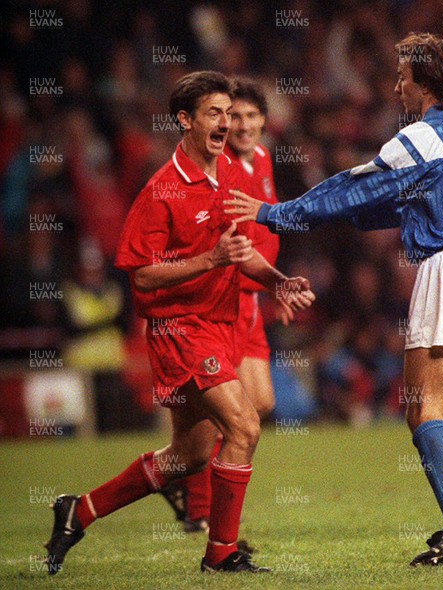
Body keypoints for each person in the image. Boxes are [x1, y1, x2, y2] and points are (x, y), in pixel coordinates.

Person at [225, 33, 443, 565]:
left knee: (422, 409)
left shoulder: (417, 137)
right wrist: (358, 215)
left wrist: (273, 213)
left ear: (426, 84)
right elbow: (420, 199)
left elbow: (352, 187)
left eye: (403, 78)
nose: (396, 87)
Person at [45, 71, 315, 575]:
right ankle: (221, 554)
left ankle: (78, 511)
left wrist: (277, 280)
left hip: (218, 324)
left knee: (188, 457)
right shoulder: (161, 190)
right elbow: (143, 276)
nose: (226, 122)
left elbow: (240, 250)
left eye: (229, 112)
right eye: (214, 113)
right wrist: (209, 262)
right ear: (185, 121)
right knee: (245, 426)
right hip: (178, 329)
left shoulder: (230, 172)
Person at [159, 78, 284, 533]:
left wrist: (278, 287)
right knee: (234, 414)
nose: (243, 124)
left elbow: (264, 234)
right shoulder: (222, 168)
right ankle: (199, 504)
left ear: (264, 121)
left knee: (258, 405)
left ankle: (187, 478)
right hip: (223, 300)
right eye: (236, 117)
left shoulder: (264, 160)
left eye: (252, 116)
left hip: (252, 298)